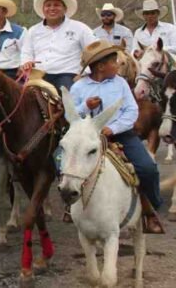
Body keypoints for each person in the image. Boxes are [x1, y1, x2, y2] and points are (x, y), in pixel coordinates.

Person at [68, 40, 164, 233]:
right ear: (101, 66)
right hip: (87, 136)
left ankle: (151, 209)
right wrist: (86, 106)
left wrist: (113, 128)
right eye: (115, 61)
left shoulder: (120, 83)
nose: (119, 65)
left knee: (147, 168)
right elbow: (69, 115)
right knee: (59, 161)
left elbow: (131, 111)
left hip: (121, 135)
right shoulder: (79, 87)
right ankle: (70, 202)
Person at [20, 0, 96, 94]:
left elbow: (93, 51)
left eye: (56, 5)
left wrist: (85, 73)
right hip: (38, 75)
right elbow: (26, 52)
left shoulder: (80, 28)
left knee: (70, 101)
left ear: (65, 9)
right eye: (48, 5)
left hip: (68, 74)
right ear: (43, 9)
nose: (52, 8)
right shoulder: (33, 30)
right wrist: (26, 62)